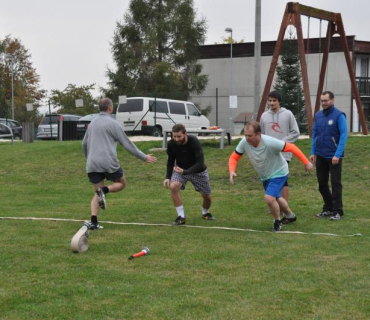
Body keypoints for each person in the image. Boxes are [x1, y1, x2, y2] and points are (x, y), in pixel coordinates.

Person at [82, 98, 157, 230]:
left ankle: (93, 221)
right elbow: (127, 143)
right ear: (110, 108)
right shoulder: (113, 123)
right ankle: (105, 190)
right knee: (121, 183)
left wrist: (89, 159)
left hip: (92, 163)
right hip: (108, 162)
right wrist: (144, 157)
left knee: (97, 192)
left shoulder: (92, 123)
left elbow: (84, 144)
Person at [229, 121, 313, 232]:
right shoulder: (244, 142)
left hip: (279, 172)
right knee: (276, 198)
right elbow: (234, 157)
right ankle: (290, 215)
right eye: (245, 135)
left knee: (269, 198)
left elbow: (291, 147)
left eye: (250, 136)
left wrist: (306, 162)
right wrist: (232, 170)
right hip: (265, 175)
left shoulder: (270, 142)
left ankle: (277, 222)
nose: (247, 138)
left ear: (258, 134)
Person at [163, 124, 214, 225]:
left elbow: (200, 163)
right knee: (173, 187)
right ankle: (181, 217)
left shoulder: (194, 141)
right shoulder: (172, 144)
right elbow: (170, 161)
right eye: (174, 136)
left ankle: (205, 213)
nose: (176, 139)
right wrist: (168, 177)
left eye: (179, 136)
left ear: (185, 134)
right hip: (181, 170)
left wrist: (185, 172)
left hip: (198, 171)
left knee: (206, 196)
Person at [310, 91, 348, 221]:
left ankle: (338, 211)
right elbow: (315, 134)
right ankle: (328, 208)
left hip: (334, 156)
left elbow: (344, 135)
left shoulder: (339, 115)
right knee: (322, 183)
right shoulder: (318, 115)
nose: (323, 103)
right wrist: (312, 152)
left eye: (326, 100)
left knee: (335, 183)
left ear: (332, 100)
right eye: (322, 101)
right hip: (320, 154)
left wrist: (337, 154)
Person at [260, 91, 300, 213]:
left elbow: (295, 132)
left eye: (274, 101)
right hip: (269, 154)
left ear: (279, 101)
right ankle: (273, 204)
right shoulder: (264, 116)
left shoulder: (288, 114)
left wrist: (282, 143)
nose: (272, 103)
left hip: (284, 153)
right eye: (270, 100)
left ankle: (284, 207)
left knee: (282, 180)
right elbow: (261, 135)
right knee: (270, 179)